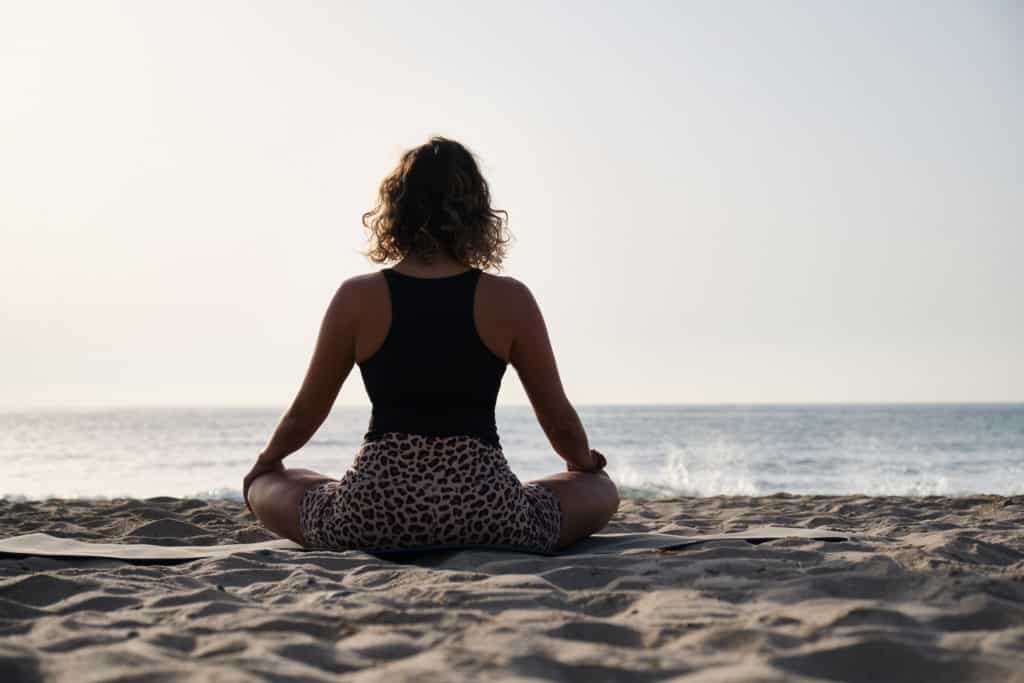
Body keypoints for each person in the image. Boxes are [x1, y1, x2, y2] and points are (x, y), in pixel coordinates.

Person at [244, 136, 619, 553]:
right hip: (487, 514)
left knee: (274, 482)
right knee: (601, 488)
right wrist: (582, 466)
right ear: (477, 213)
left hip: (372, 513)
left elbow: (306, 412)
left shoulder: (356, 298)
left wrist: (265, 462)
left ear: (395, 209)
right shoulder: (511, 299)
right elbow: (558, 419)